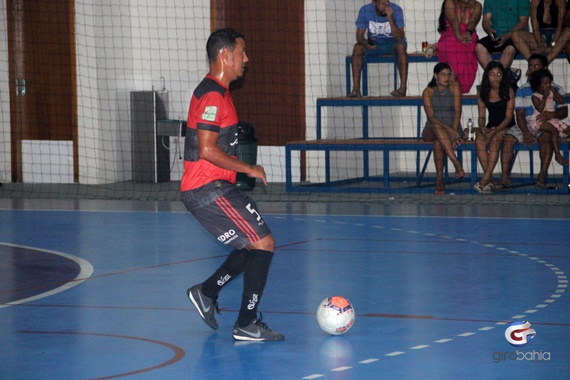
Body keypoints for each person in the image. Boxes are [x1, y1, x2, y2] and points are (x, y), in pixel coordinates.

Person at [182, 28, 283, 341]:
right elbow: (207, 149)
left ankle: (207, 292)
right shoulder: (212, 95)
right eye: (242, 52)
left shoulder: (219, 92)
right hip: (208, 188)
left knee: (251, 245)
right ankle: (246, 323)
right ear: (225, 55)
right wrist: (248, 168)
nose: (246, 59)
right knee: (264, 243)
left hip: (211, 188)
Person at [500, 54, 567, 189]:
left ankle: (541, 177)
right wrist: (525, 132)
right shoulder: (522, 89)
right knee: (508, 139)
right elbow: (519, 114)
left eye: (536, 66)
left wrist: (551, 114)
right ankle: (504, 178)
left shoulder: (556, 88)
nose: (533, 69)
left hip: (547, 124)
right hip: (526, 123)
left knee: (547, 137)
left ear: (545, 68)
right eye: (531, 66)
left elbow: (564, 111)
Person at [348, 0, 408, 98]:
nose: (384, 6)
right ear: (374, 3)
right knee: (357, 47)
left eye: (386, 2)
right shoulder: (365, 10)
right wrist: (365, 43)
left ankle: (403, 88)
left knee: (401, 47)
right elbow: (359, 36)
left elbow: (400, 38)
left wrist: (391, 19)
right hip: (374, 45)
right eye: (381, 3)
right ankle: (356, 89)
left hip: (392, 44)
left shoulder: (396, 10)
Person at [422, 63, 465, 195]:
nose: (446, 77)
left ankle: (439, 180)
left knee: (438, 142)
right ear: (435, 76)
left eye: (448, 74)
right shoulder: (427, 92)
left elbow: (458, 111)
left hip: (453, 127)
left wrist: (453, 129)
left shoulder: (454, 87)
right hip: (432, 128)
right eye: (443, 75)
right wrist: (450, 131)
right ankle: (456, 162)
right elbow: (431, 117)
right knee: (436, 127)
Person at [474, 61, 516, 193]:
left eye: (499, 74)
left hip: (507, 126)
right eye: (492, 74)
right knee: (479, 139)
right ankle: (491, 179)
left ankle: (485, 179)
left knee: (495, 140)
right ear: (487, 76)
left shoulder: (508, 90)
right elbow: (481, 116)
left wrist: (496, 130)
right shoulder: (482, 91)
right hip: (490, 125)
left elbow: (509, 117)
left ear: (503, 76)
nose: (496, 77)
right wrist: (482, 127)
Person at [431, 0, 482, 94]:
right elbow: (454, 22)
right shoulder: (450, 2)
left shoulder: (477, 5)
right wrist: (459, 36)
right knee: (455, 43)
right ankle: (451, 79)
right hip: (451, 35)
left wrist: (468, 33)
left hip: (469, 36)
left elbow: (472, 22)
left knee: (468, 43)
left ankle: (438, 47)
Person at [475, 0, 530, 83]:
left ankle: (499, 83)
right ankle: (497, 78)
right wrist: (489, 30)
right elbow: (485, 22)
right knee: (479, 47)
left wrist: (507, 35)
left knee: (509, 49)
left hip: (516, 35)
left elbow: (523, 22)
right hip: (497, 35)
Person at [529, 68, 569, 165]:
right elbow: (540, 109)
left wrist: (555, 93)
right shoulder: (535, 96)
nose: (548, 86)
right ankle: (557, 154)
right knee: (553, 131)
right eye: (544, 84)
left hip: (553, 119)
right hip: (540, 121)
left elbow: (561, 101)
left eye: (549, 83)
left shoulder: (551, 92)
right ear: (538, 86)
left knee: (568, 129)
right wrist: (545, 97)